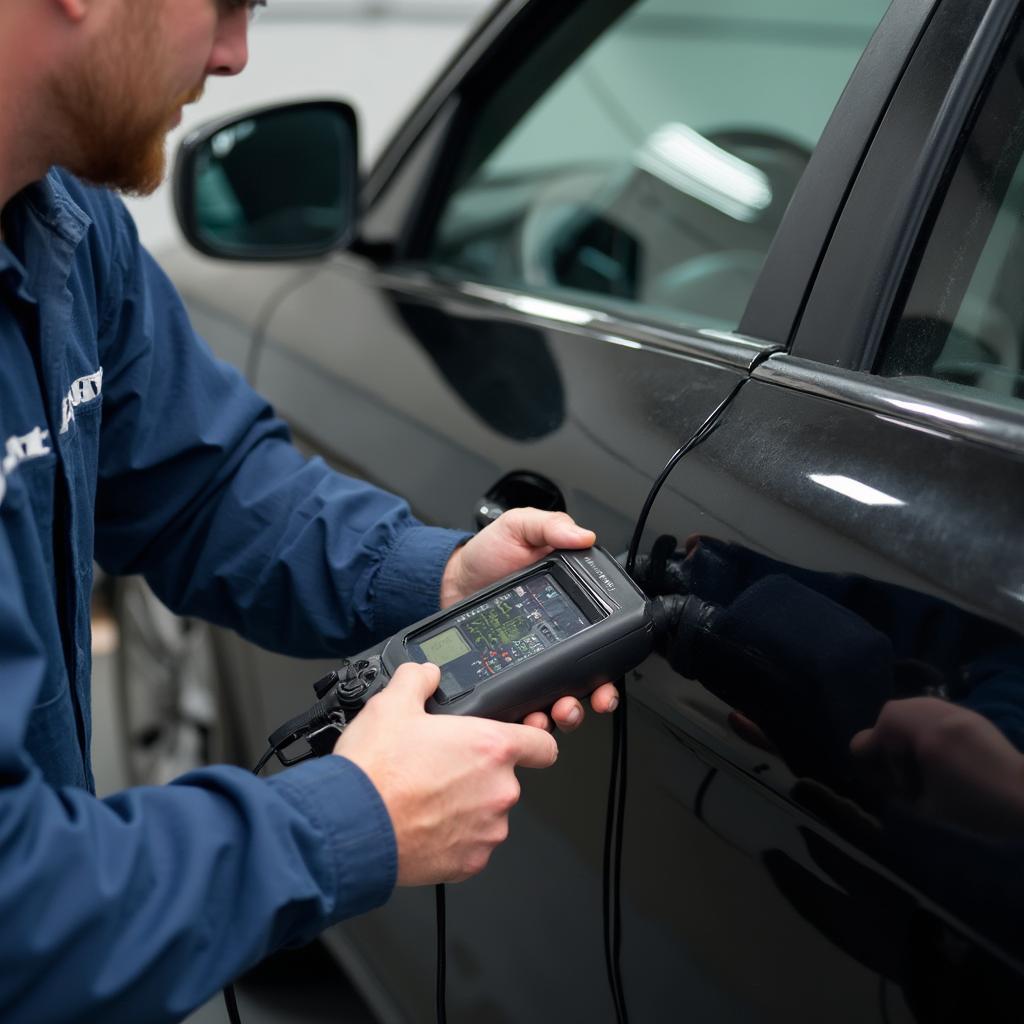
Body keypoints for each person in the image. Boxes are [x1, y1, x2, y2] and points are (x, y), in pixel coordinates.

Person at [0, 1, 619, 1021]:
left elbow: (200, 483)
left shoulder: (64, 223)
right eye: (228, 2)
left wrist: (440, 578)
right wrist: (351, 819)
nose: (236, 54)